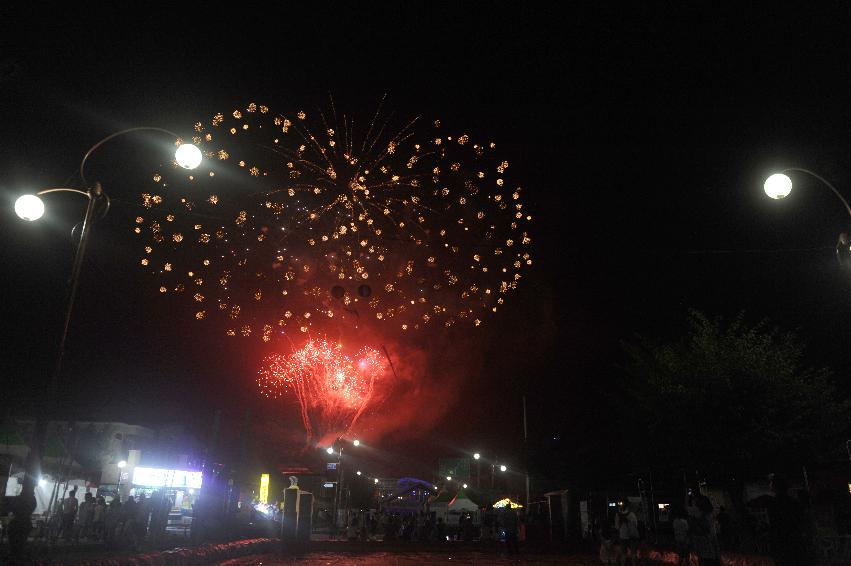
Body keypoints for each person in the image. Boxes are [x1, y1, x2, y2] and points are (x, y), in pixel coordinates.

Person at [689, 495, 720, 566]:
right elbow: (717, 507)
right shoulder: (710, 515)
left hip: (702, 543)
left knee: (703, 559)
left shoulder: (696, 515)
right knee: (711, 559)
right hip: (710, 541)